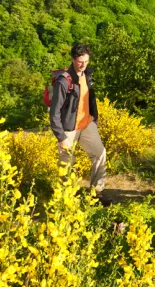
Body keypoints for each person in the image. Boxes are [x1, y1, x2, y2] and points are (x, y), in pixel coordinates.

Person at [49, 43, 107, 201]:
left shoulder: (87, 74)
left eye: (86, 61)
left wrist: (94, 118)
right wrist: (60, 137)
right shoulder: (64, 81)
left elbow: (91, 98)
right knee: (67, 164)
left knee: (100, 154)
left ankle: (97, 193)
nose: (83, 65)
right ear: (73, 59)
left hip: (87, 123)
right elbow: (54, 113)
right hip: (68, 128)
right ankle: (67, 198)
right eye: (80, 62)